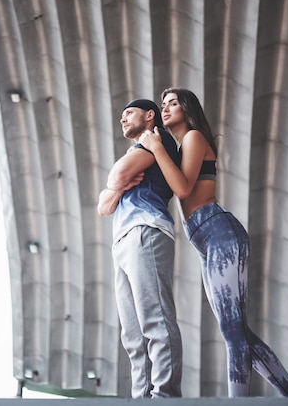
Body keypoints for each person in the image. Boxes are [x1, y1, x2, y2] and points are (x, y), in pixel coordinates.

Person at [138, 87, 288, 397]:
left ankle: (239, 401)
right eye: (163, 104)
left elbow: (184, 189)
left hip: (220, 233)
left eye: (173, 103)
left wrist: (155, 148)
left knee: (232, 332)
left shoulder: (193, 138)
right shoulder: (180, 145)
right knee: (236, 332)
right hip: (207, 241)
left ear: (188, 109)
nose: (166, 108)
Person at [97, 98, 183, 398]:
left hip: (145, 230)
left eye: (128, 113)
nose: (123, 118)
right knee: (133, 335)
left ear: (150, 115)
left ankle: (164, 395)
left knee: (155, 320)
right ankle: (141, 398)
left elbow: (115, 178)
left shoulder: (154, 140)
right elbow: (103, 206)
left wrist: (117, 185)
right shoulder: (137, 150)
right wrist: (117, 187)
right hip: (122, 239)